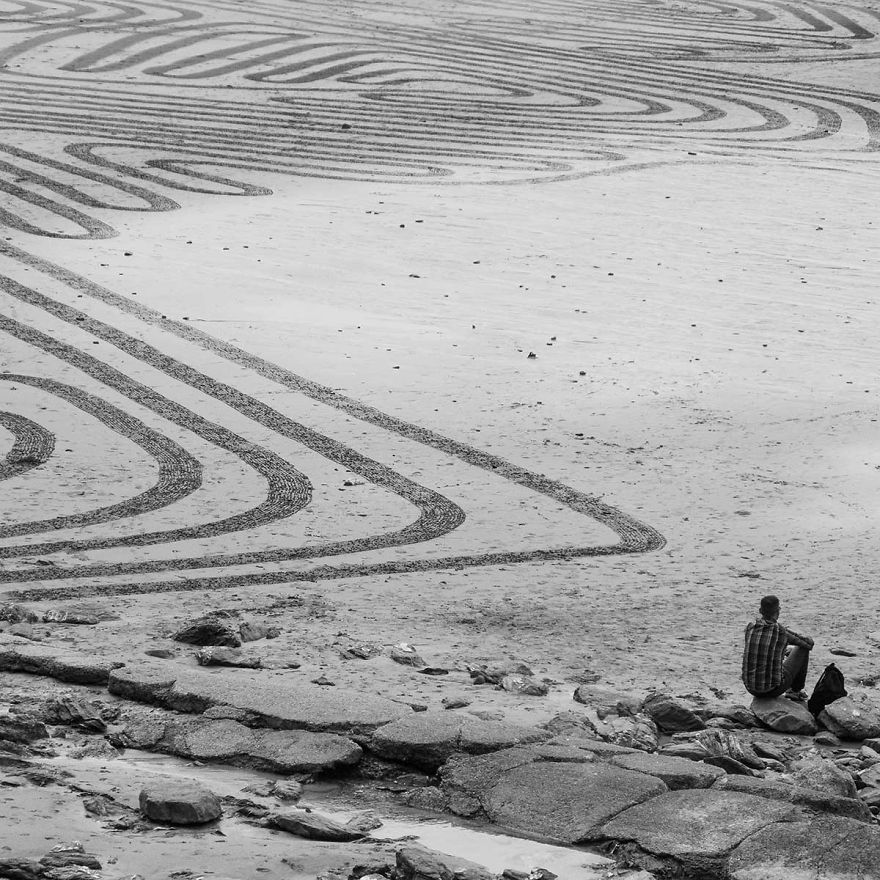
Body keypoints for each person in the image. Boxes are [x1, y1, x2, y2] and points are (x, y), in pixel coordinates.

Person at [742, 595, 814, 700]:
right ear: (778, 611)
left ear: (760, 611)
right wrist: (808, 638)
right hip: (772, 689)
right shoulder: (781, 632)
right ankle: (795, 691)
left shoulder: (750, 628)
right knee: (802, 649)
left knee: (782, 651)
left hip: (750, 688)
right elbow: (808, 644)